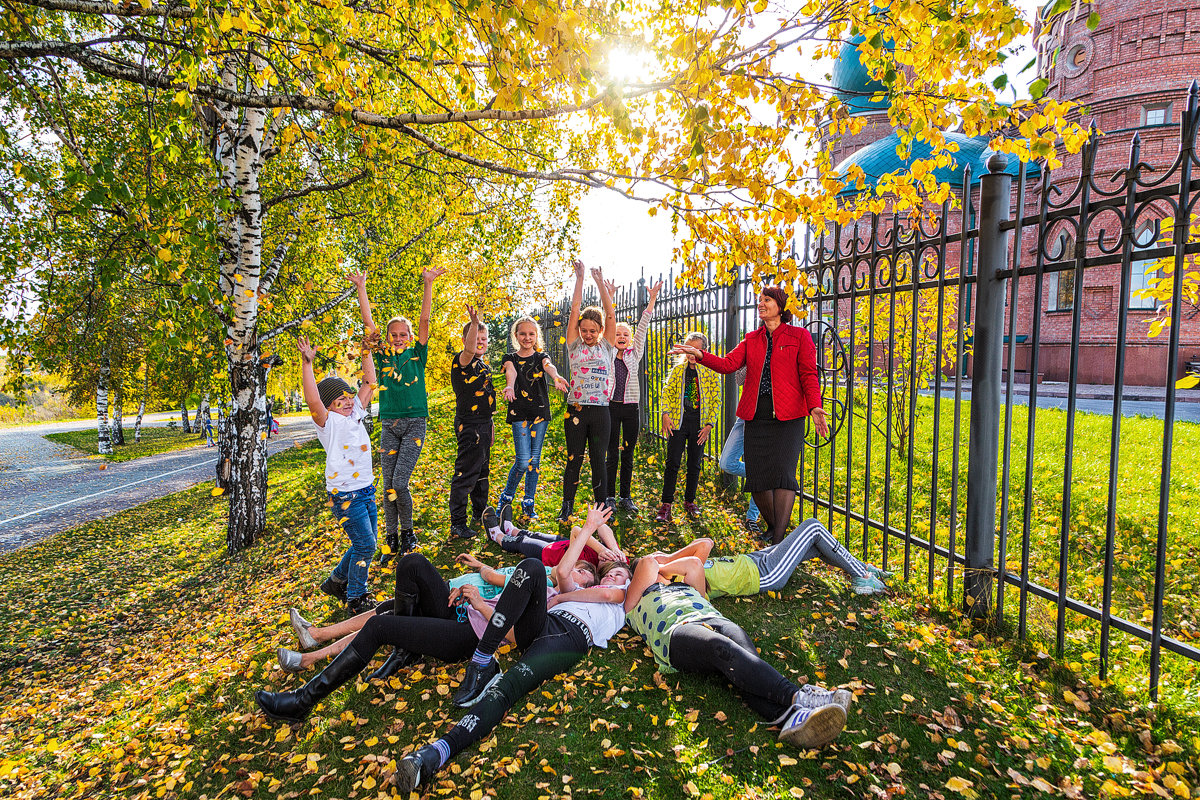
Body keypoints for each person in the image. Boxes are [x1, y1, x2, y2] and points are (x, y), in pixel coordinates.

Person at [392, 506, 633, 791]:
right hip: (543, 621)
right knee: (529, 567)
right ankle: (482, 660)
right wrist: (590, 526)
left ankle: (433, 754)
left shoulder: (622, 600)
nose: (612, 578)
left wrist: (611, 562)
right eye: (609, 574)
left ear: (628, 581)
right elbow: (564, 570)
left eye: (619, 575)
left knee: (508, 687)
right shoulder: (579, 589)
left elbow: (629, 579)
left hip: (568, 638)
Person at [255, 550, 599, 725]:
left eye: (586, 575)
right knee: (412, 563)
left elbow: (509, 637)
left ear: (584, 587)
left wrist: (477, 602)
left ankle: (303, 701)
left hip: (465, 635)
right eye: (579, 568)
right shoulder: (525, 576)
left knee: (379, 626)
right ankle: (406, 651)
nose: (578, 574)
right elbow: (498, 577)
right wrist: (471, 589)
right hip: (455, 609)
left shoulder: (551, 603)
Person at [623, 555, 849, 749]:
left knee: (746, 659)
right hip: (675, 632)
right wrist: (662, 568)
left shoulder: (685, 585)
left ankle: (791, 718)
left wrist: (668, 574)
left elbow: (693, 563)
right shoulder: (634, 600)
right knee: (720, 649)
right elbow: (647, 563)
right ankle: (800, 697)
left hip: (714, 619)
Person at [672, 287, 828, 545]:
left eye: (766, 300)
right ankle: (774, 527)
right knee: (757, 479)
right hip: (756, 417)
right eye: (760, 300)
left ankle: (778, 541)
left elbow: (808, 374)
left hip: (789, 418)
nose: (761, 304)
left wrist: (814, 406)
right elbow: (727, 365)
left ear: (780, 306)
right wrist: (701, 355)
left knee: (783, 475)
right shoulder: (751, 339)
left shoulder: (799, 336)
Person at [352, 268, 443, 562]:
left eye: (403, 334)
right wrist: (361, 288)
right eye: (394, 334)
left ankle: (408, 534)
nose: (399, 338)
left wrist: (428, 283)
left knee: (399, 483)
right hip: (389, 424)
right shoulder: (382, 355)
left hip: (415, 422)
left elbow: (425, 319)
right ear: (388, 337)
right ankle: (391, 537)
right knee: (388, 484)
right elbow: (369, 327)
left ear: (411, 336)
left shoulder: (418, 353)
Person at [297, 326, 379, 616]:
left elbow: (370, 381)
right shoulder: (328, 423)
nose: (346, 401)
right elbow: (312, 401)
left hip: (366, 490)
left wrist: (367, 351)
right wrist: (308, 364)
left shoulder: (356, 413)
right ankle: (356, 598)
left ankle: (335, 582)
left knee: (366, 543)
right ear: (329, 407)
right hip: (345, 494)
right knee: (366, 545)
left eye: (347, 396)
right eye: (339, 400)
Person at [649, 517, 890, 598]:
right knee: (813, 528)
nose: (654, 559)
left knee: (817, 544)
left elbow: (705, 543)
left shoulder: (674, 570)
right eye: (650, 564)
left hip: (755, 558)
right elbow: (703, 547)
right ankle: (861, 577)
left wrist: (665, 558)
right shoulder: (685, 584)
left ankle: (862, 569)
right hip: (765, 574)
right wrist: (665, 561)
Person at [560, 259, 618, 522]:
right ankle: (567, 506)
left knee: (598, 459)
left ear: (601, 331)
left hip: (601, 413)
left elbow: (610, 314)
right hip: (576, 410)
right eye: (584, 330)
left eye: (592, 331)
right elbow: (574, 311)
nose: (588, 334)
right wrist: (580, 278)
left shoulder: (607, 346)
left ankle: (601, 508)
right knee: (574, 459)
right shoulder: (574, 346)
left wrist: (600, 283)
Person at [498, 316, 569, 520]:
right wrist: (510, 385)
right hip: (519, 412)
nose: (527, 338)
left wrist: (555, 377)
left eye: (531, 334)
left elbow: (549, 366)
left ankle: (529, 501)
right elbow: (510, 372)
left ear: (536, 336)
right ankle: (506, 498)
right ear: (516, 336)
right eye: (523, 333)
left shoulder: (540, 357)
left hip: (539, 414)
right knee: (522, 461)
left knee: (534, 461)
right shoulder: (509, 357)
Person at [604, 279, 663, 514]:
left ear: (630, 339)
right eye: (617, 333)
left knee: (627, 453)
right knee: (611, 453)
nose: (621, 336)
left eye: (625, 334)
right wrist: (609, 297)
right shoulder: (607, 352)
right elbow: (607, 320)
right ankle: (608, 495)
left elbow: (643, 325)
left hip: (630, 410)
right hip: (610, 408)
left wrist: (652, 299)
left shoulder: (635, 353)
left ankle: (625, 496)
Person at [656, 332, 722, 523]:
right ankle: (666, 504)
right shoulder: (678, 371)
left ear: (705, 351)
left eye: (696, 350)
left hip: (699, 424)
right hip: (678, 422)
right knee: (673, 462)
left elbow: (717, 400)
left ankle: (689, 501)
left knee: (694, 463)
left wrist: (709, 425)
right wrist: (666, 415)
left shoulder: (710, 372)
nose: (691, 354)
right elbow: (667, 393)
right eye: (688, 350)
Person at [449, 305, 496, 539]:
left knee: (482, 472)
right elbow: (468, 349)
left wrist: (491, 425)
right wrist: (474, 322)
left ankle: (480, 512)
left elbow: (486, 397)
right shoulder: (462, 361)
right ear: (466, 339)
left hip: (484, 424)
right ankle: (457, 522)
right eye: (475, 337)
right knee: (466, 473)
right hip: (469, 426)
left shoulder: (483, 365)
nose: (480, 341)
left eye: (484, 338)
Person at [481, 504, 627, 568]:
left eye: (606, 563)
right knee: (534, 534)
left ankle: (496, 534)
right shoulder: (620, 560)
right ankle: (510, 529)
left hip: (553, 555)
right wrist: (613, 548)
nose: (608, 558)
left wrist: (601, 550)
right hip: (565, 543)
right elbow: (602, 526)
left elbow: (576, 530)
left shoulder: (598, 574)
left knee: (522, 542)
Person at [717, 368, 762, 533]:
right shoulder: (751, 345)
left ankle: (752, 517)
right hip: (747, 414)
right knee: (727, 462)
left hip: (768, 418)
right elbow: (739, 379)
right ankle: (763, 477)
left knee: (760, 466)